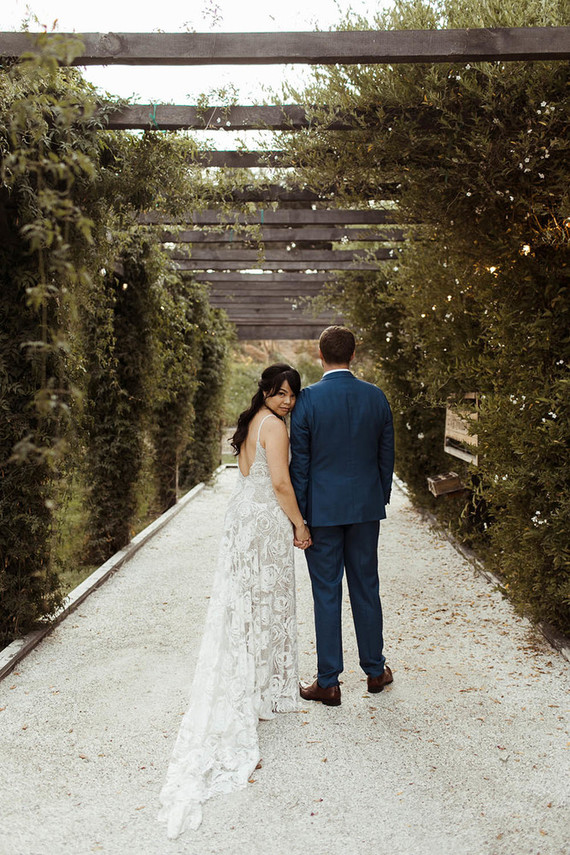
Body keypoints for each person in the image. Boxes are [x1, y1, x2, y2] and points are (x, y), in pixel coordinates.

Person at [158, 363, 311, 838]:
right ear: (265, 391)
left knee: (246, 605)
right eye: (280, 393)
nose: (287, 401)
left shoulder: (251, 423)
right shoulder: (275, 427)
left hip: (242, 518)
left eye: (292, 394)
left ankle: (255, 682)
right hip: (264, 522)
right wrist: (300, 524)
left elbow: (249, 475)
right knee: (265, 602)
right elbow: (280, 484)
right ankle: (261, 689)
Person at [290, 326, 395, 707]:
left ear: (320, 355)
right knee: (366, 586)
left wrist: (300, 518)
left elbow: (300, 465)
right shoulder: (376, 397)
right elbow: (386, 456)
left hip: (321, 512)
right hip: (365, 509)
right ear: (353, 354)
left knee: (326, 591)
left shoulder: (306, 400)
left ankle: (329, 682)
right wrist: (378, 499)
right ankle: (375, 670)